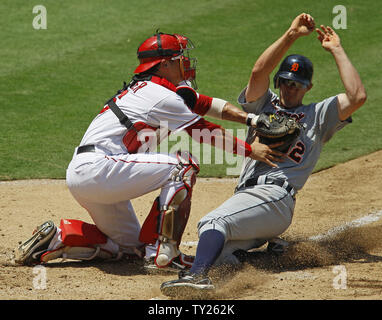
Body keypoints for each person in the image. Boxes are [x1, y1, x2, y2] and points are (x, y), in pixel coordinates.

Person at [15, 32, 283, 272]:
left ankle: (60, 236)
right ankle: (165, 251)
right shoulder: (160, 95)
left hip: (87, 174)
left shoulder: (155, 90)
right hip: (100, 168)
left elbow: (206, 104)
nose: (186, 62)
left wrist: (253, 121)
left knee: (128, 249)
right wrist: (251, 150)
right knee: (182, 166)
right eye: (180, 57)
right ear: (164, 64)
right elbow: (205, 131)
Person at [160, 13, 367, 295]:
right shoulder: (262, 106)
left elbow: (357, 96)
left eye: (297, 83)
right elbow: (259, 72)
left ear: (309, 87)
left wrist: (337, 50)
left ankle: (197, 278)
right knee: (219, 255)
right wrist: (290, 35)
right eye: (285, 81)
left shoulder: (318, 115)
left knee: (212, 222)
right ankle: (272, 254)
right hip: (249, 199)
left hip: (275, 197)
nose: (290, 87)